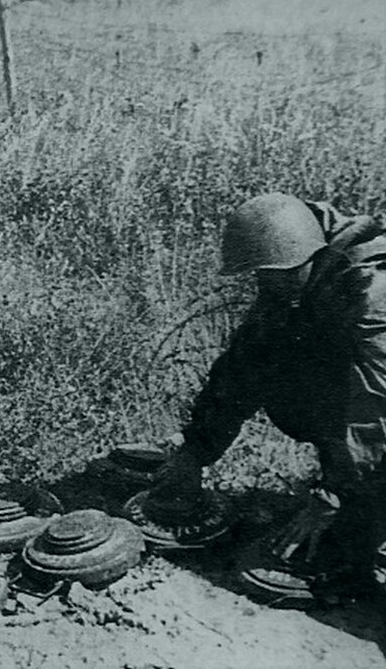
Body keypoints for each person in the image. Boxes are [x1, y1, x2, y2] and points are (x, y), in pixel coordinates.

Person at [153, 192, 386, 600]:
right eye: (261, 274)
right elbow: (245, 363)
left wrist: (335, 493)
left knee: (362, 535)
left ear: (306, 257)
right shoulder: (295, 254)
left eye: (276, 274)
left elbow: (375, 410)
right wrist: (196, 449)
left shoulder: (372, 296)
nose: (267, 284)